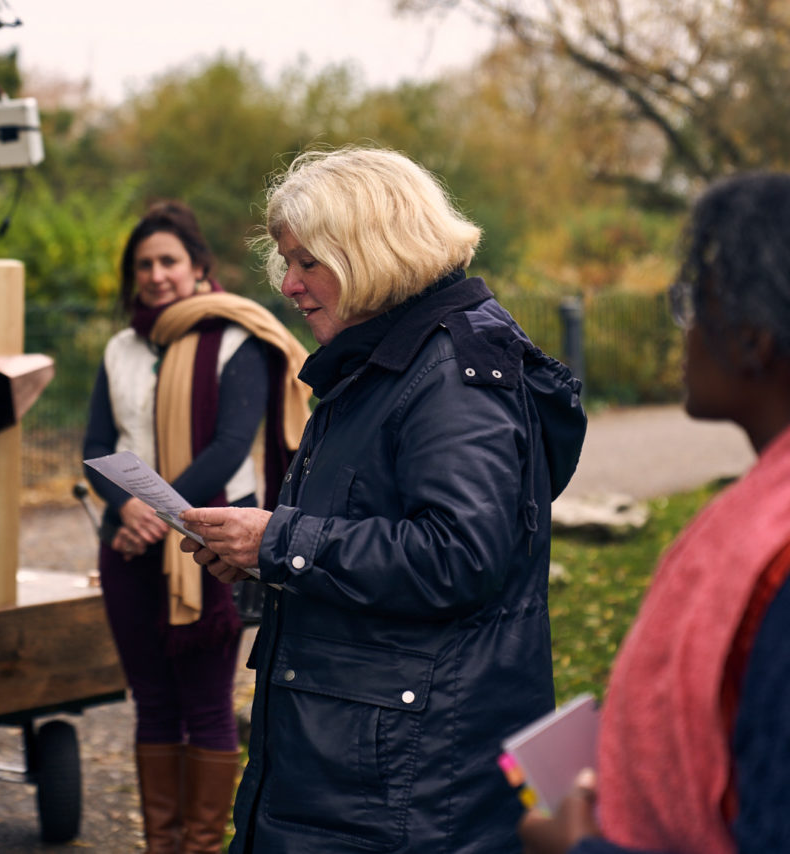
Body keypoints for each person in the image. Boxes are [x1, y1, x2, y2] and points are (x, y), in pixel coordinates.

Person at [179, 145, 588, 853]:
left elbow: (459, 556)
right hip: (357, 764)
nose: (292, 286)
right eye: (288, 264)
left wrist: (281, 542)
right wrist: (264, 555)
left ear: (372, 250)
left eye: (310, 263)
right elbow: (378, 529)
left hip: (404, 784)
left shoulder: (451, 374)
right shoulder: (386, 360)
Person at [519, 173, 790, 854]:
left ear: (755, 340)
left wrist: (579, 847)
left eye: (693, 304)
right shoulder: (787, 505)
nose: (681, 330)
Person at [81, 200, 311, 853]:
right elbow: (98, 442)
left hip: (210, 545)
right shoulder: (122, 348)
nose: (155, 275)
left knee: (208, 706)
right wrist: (123, 508)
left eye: (168, 261)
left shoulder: (235, 337)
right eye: (144, 264)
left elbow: (228, 446)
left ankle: (202, 846)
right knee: (152, 703)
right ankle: (163, 845)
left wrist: (154, 513)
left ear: (199, 267)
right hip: (126, 545)